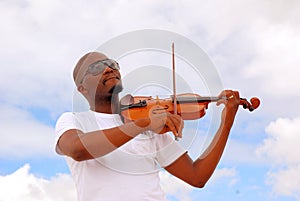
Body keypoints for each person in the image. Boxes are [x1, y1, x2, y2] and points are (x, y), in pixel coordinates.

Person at [55, 51, 240, 201]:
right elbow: (78, 150)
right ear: (82, 88)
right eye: (97, 67)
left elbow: (197, 176)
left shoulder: (151, 124)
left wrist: (226, 123)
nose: (109, 69)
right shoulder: (73, 120)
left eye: (112, 64)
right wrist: (142, 124)